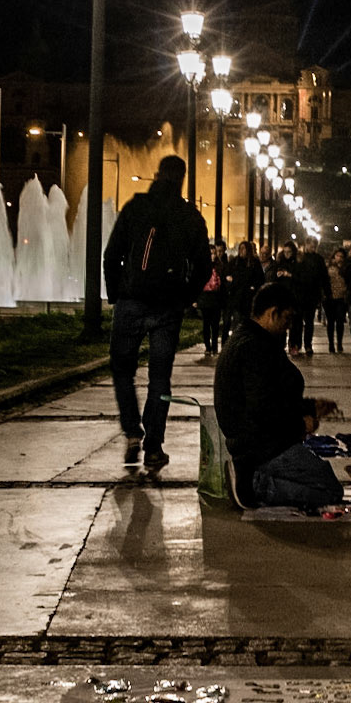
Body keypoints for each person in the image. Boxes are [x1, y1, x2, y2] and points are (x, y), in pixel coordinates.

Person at [103, 154, 212, 473]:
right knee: (160, 378)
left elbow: (111, 255)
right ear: (182, 179)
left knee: (122, 370)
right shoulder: (190, 216)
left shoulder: (135, 207)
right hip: (167, 307)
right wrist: (185, 297)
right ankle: (153, 446)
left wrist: (116, 293)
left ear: (157, 174)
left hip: (131, 301)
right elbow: (204, 268)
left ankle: (132, 432)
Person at [214, 280, 343, 510]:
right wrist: (300, 424)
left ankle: (256, 479)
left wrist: (309, 407)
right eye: (287, 318)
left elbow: (274, 396)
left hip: (263, 441)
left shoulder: (257, 339)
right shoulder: (253, 347)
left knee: (321, 477)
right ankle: (253, 485)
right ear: (272, 313)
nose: (289, 326)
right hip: (260, 447)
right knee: (329, 489)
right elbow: (263, 409)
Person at [291, 238, 326, 357]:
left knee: (309, 321)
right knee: (298, 321)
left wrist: (324, 292)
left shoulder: (318, 259)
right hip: (300, 294)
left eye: (314, 246)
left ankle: (307, 344)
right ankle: (298, 344)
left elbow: (323, 276)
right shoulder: (300, 257)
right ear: (306, 245)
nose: (313, 248)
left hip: (311, 295)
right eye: (311, 246)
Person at [197, 239, 227, 358]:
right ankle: (208, 347)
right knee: (206, 324)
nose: (213, 256)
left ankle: (214, 347)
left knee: (215, 325)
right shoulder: (202, 267)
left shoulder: (220, 266)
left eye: (214, 253)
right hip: (205, 298)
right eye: (210, 254)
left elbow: (223, 284)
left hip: (216, 298)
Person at [323, 249, 349, 354]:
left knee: (339, 321)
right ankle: (331, 344)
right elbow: (324, 281)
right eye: (337, 256)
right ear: (334, 256)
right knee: (330, 322)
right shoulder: (328, 267)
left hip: (341, 298)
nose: (339, 258)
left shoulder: (346, 268)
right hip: (330, 298)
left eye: (341, 256)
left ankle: (339, 343)